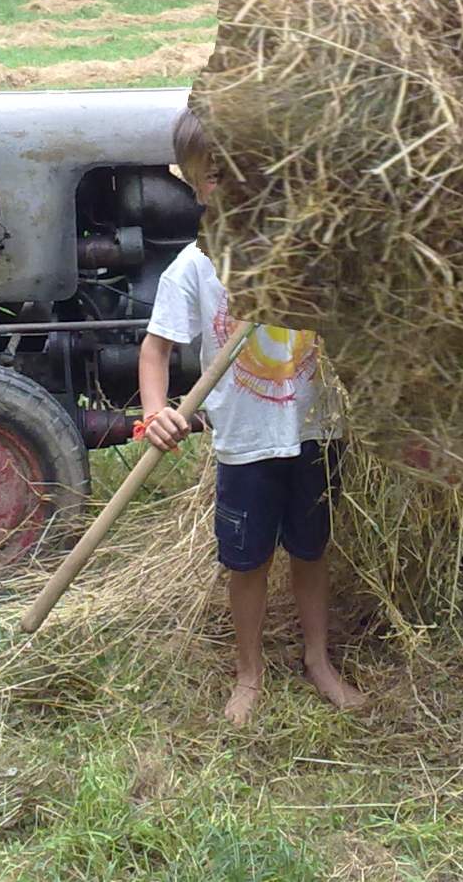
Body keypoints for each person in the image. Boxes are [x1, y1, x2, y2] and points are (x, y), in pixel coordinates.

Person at [138, 108, 366, 726]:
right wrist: (155, 412)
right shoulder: (193, 267)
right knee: (247, 561)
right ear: (190, 182)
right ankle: (249, 673)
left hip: (317, 429)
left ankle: (318, 660)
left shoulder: (308, 249)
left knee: (312, 549)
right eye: (215, 176)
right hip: (246, 441)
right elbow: (156, 348)